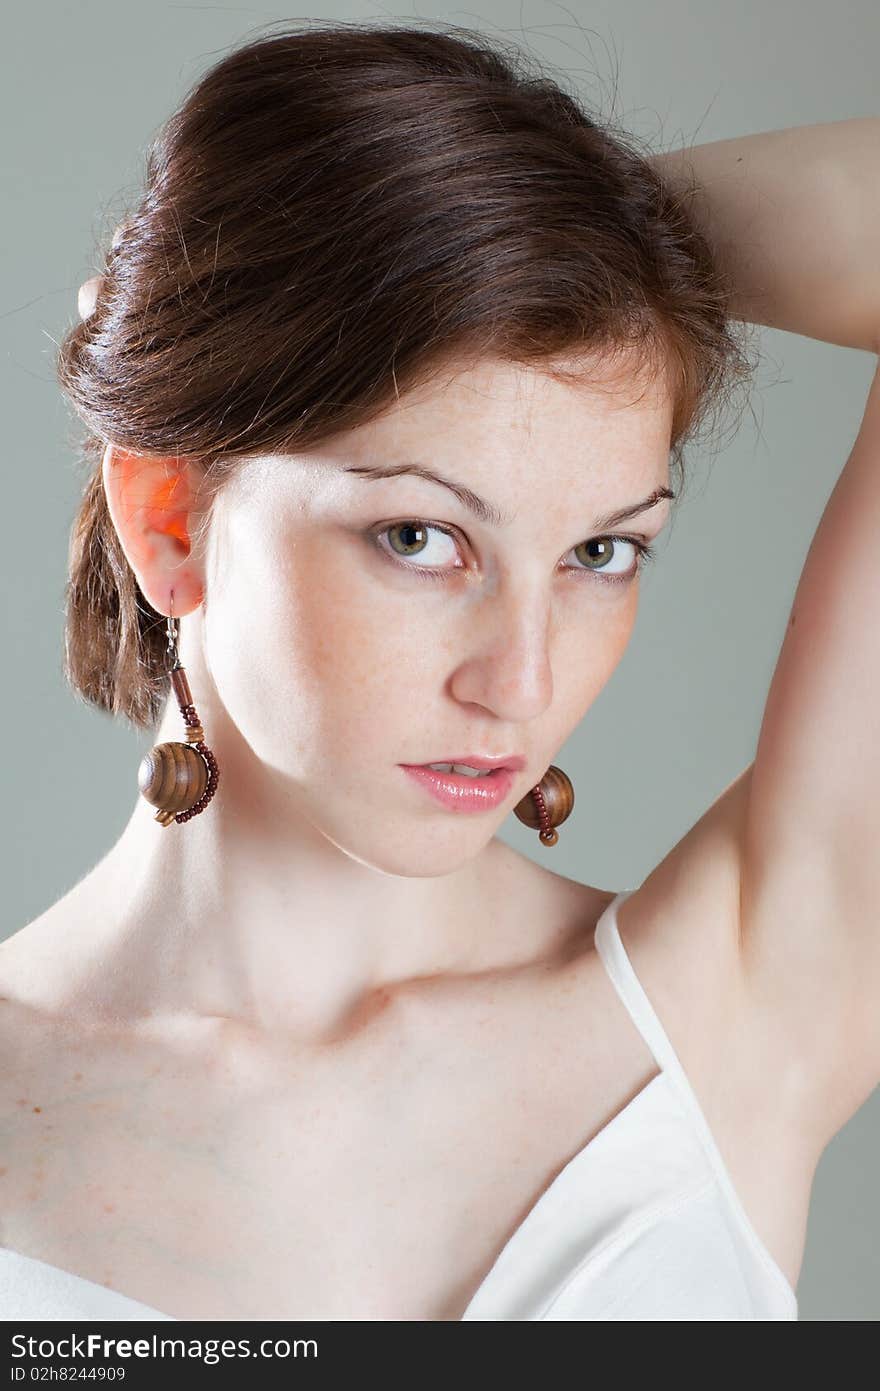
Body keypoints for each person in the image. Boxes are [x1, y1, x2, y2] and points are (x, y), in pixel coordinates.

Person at [2, 21, 878, 1323]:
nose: (522, 681)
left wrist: (566, 228)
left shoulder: (750, 991)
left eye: (602, 550)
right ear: (171, 520)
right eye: (421, 538)